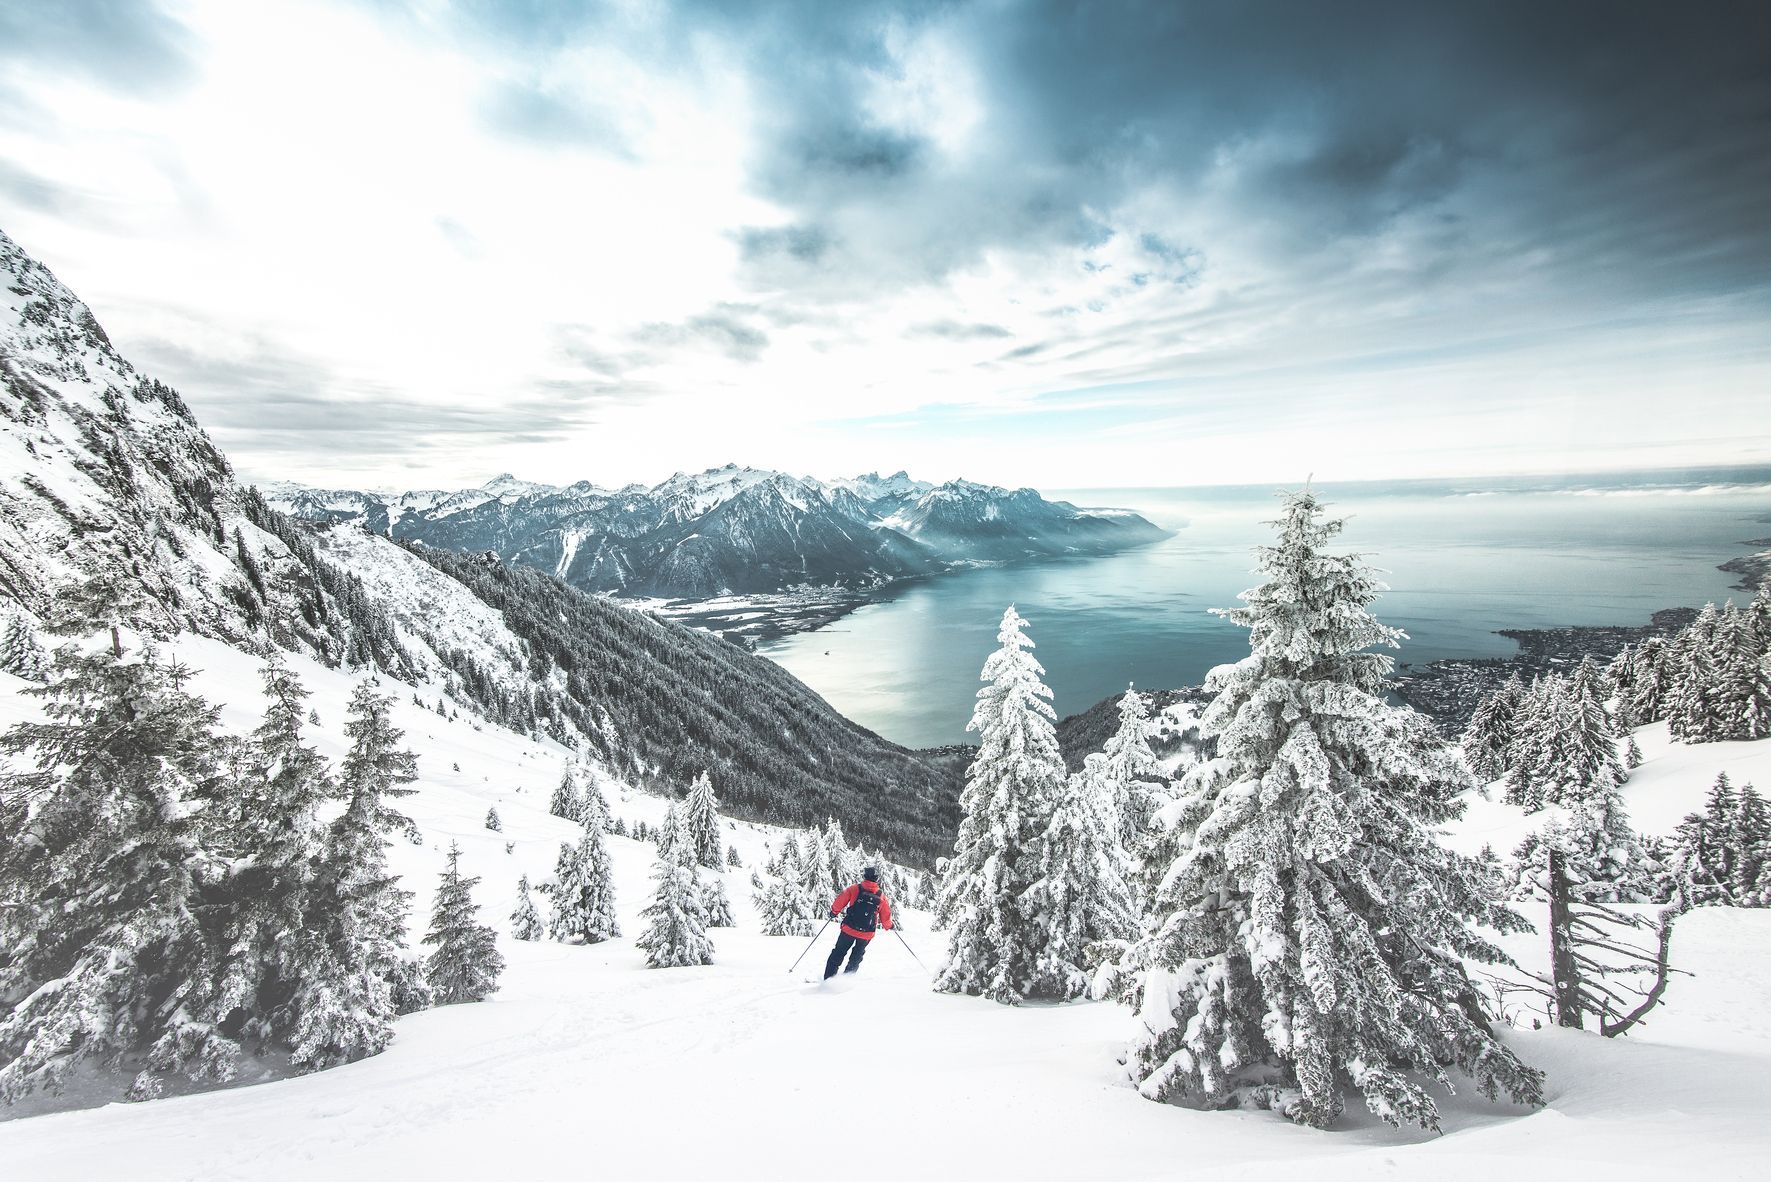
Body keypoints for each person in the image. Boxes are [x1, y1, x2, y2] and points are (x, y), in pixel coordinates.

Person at [824, 866, 892, 979]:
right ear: (877, 878)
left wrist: (834, 912)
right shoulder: (881, 896)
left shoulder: (854, 888)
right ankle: (845, 981)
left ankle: (828, 980)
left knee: (838, 952)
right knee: (856, 957)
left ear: (864, 876)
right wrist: (889, 925)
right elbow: (885, 917)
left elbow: (839, 902)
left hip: (849, 928)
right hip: (867, 933)